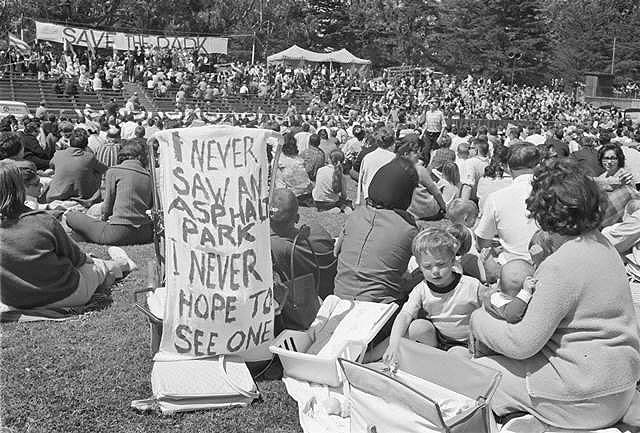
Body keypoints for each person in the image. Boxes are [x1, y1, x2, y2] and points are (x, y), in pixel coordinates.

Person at [471, 158, 640, 429]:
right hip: (619, 388)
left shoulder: (561, 265)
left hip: (578, 400)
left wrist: (479, 320)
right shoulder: (605, 246)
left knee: (472, 376)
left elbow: (522, 343)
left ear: (541, 212)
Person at [0, 160, 135, 310]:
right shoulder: (42, 221)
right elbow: (78, 259)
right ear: (20, 188)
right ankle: (123, 264)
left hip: (16, 301)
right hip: (64, 294)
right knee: (98, 266)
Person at [334, 157, 419, 349]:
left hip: (340, 303)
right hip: (380, 313)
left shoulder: (354, 216)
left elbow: (337, 252)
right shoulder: (407, 229)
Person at [383, 227, 484, 365]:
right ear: (419, 266)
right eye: (428, 266)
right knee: (417, 327)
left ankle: (441, 363)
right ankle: (435, 358)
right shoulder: (421, 289)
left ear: (453, 261)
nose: (435, 271)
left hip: (466, 343)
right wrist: (393, 345)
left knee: (457, 357)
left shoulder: (471, 285)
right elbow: (405, 315)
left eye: (441, 264)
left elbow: (488, 311)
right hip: (438, 339)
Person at [65, 140, 153, 245]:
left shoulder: (114, 171)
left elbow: (107, 207)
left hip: (119, 232)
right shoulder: (148, 176)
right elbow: (150, 205)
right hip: (145, 233)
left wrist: (104, 219)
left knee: (71, 216)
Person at [475, 144, 540, 263]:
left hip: (511, 267)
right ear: (538, 166)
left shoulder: (496, 198)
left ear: (508, 168)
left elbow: (482, 243)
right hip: (548, 265)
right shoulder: (553, 193)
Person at [270, 189, 337, 302]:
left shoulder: (273, 247)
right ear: (297, 218)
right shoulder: (318, 231)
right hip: (330, 297)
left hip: (302, 308)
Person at [46, 129, 107, 203]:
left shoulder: (58, 154)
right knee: (96, 172)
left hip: (55, 196)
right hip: (83, 196)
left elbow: (51, 165)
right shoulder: (89, 157)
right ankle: (90, 194)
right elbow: (104, 169)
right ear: (85, 145)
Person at [356, 129, 396, 205]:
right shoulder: (394, 158)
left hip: (369, 197)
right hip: (387, 199)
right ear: (393, 143)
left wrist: (359, 199)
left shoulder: (367, 157)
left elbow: (361, 179)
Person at [275, 134, 313, 200]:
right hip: (306, 191)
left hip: (292, 194)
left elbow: (279, 184)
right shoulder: (299, 159)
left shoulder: (278, 160)